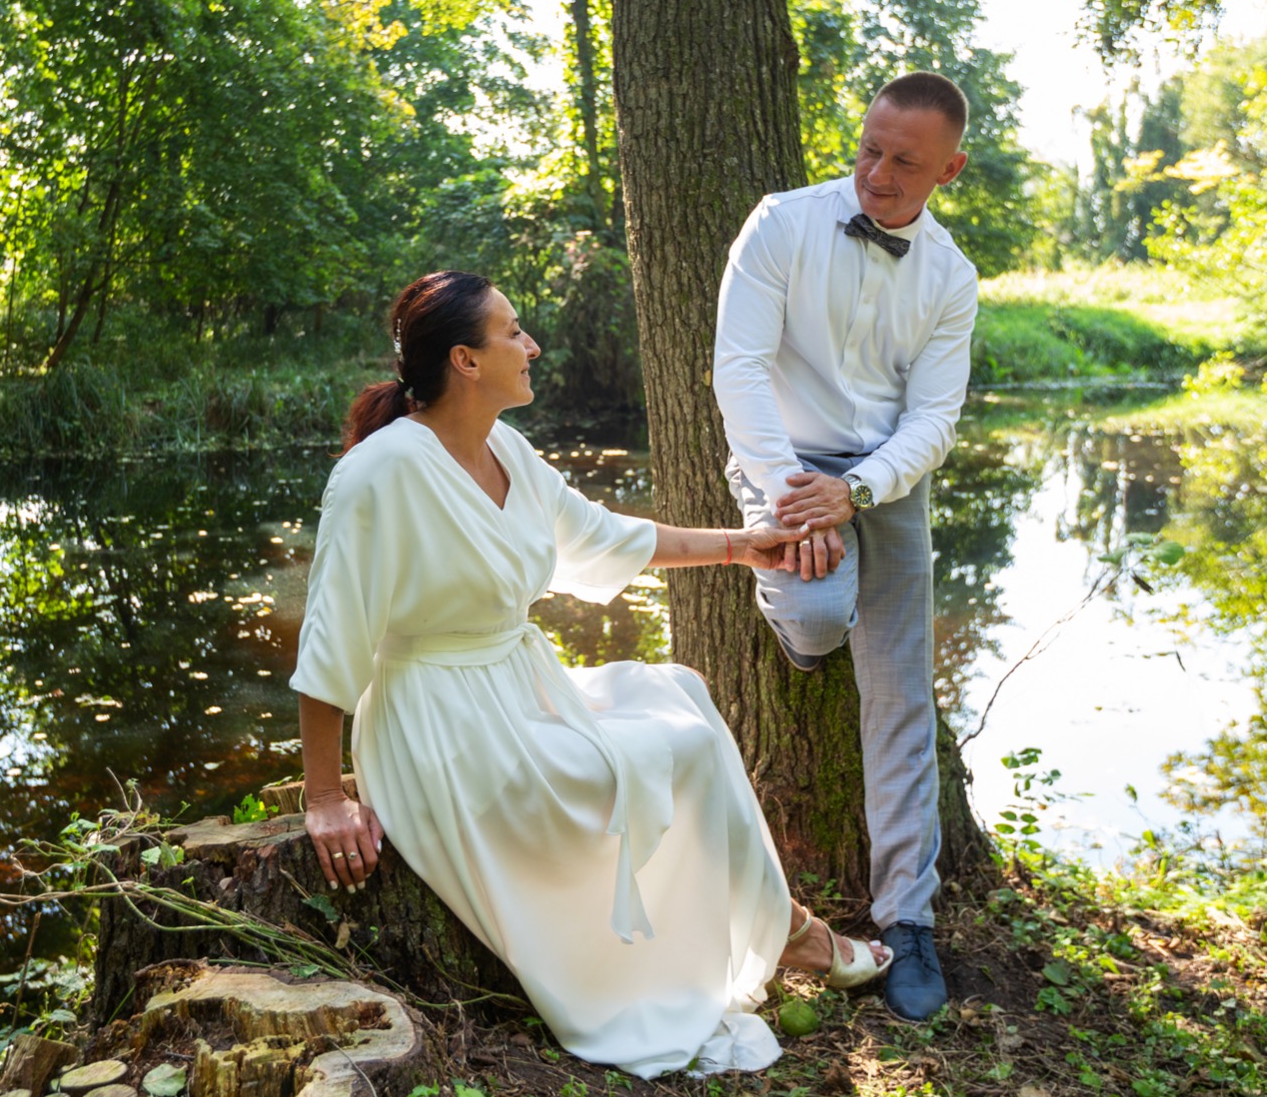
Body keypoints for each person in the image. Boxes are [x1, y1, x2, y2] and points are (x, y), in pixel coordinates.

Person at [290, 271, 889, 1079]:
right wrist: (326, 795)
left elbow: (601, 537)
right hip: (440, 730)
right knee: (655, 752)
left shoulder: (505, 448)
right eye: (513, 332)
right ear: (465, 360)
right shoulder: (380, 474)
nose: (531, 344)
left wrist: (742, 544)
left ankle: (780, 927)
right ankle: (787, 936)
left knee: (678, 693)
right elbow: (332, 638)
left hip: (518, 686)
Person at [712, 70, 979, 1023]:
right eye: (869, 147)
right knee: (821, 619)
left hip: (885, 479)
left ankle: (907, 917)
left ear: (948, 167)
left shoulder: (952, 275)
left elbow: (934, 422)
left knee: (903, 685)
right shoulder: (780, 223)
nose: (878, 172)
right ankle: (800, 622)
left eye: (905, 161)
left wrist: (857, 491)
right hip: (782, 461)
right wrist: (797, 499)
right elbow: (738, 368)